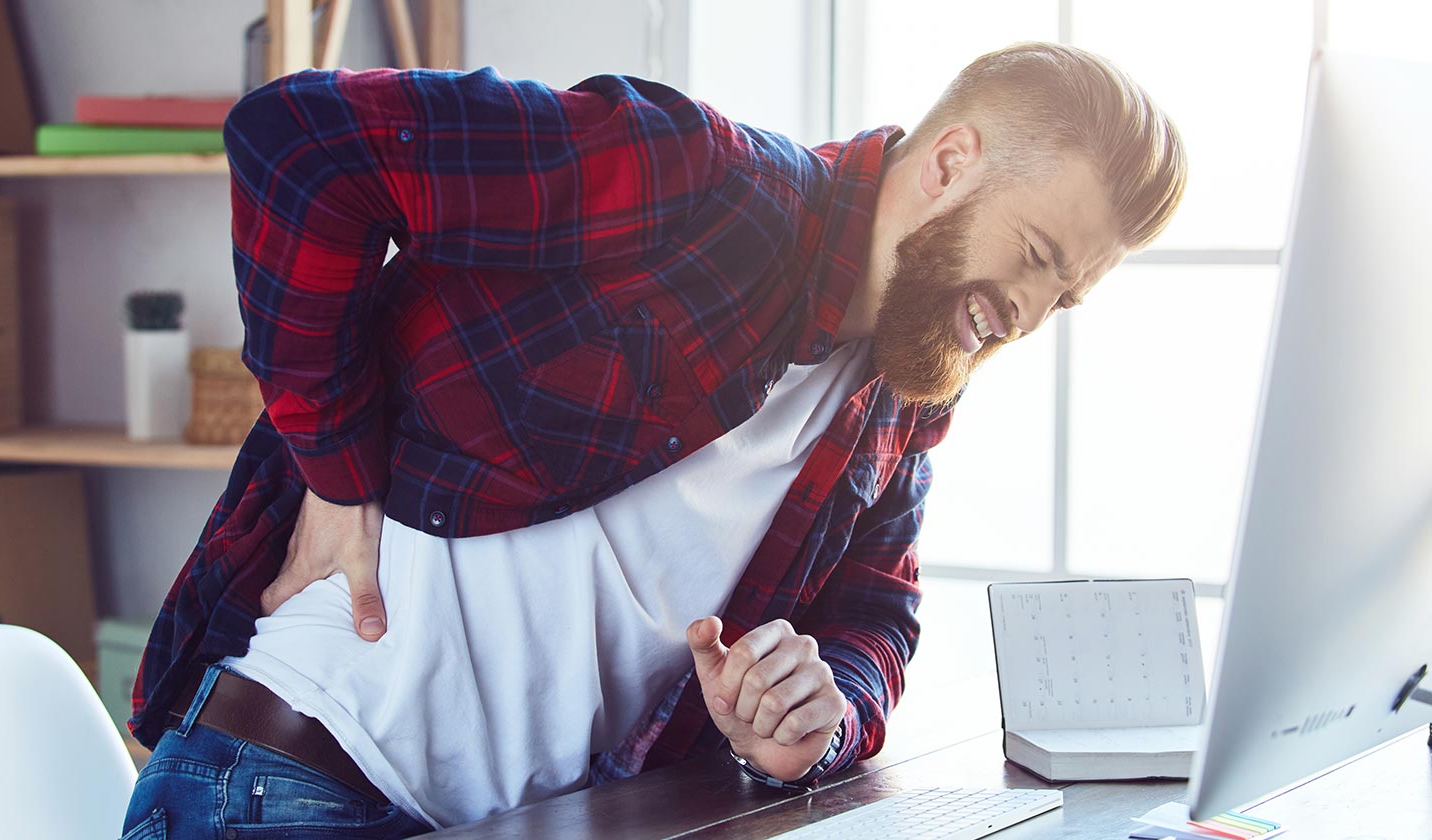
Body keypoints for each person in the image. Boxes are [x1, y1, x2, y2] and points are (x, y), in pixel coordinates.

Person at [119, 41, 1185, 840]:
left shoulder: (900, 399)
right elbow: (299, 139)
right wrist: (334, 466)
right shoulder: (706, 183)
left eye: (1067, 294)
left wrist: (824, 712)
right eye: (1037, 254)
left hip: (497, 823)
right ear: (950, 162)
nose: (1031, 314)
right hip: (280, 786)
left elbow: (874, 614)